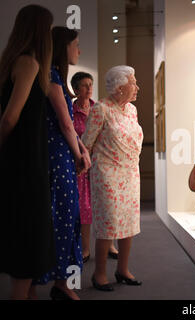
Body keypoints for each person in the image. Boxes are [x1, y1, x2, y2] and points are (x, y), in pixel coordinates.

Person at [0, 4, 55, 300]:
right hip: (25, 166)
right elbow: (10, 117)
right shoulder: (29, 64)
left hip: (20, 163)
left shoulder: (12, 62)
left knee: (26, 242)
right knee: (27, 244)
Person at [33, 26, 91, 301]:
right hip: (56, 158)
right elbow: (66, 124)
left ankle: (60, 282)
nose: (79, 50)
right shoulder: (51, 77)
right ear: (62, 47)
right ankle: (46, 283)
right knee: (60, 218)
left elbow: (70, 128)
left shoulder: (56, 77)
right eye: (76, 44)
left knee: (66, 217)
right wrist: (79, 153)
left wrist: (81, 150)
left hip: (62, 156)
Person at [82, 66, 143, 292]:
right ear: (118, 88)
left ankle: (123, 269)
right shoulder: (101, 109)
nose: (137, 87)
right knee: (108, 223)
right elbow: (86, 142)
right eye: (133, 83)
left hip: (130, 173)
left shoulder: (132, 110)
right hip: (106, 174)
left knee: (128, 222)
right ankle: (99, 275)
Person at [71, 72, 119, 263]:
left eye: (91, 84)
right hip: (81, 166)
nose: (89, 88)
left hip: (101, 164)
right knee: (85, 207)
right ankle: (85, 249)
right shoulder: (70, 111)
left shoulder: (98, 108)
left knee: (106, 205)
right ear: (76, 90)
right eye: (84, 85)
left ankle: (110, 245)